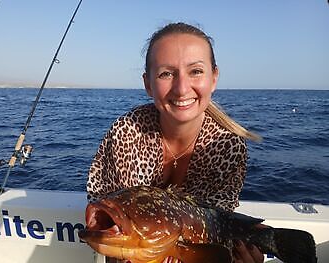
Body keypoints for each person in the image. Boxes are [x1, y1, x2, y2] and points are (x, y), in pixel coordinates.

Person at [87, 22, 263, 263]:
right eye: (166, 74)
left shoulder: (228, 145)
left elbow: (216, 226)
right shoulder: (125, 132)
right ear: (148, 84)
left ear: (214, 78)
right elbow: (107, 216)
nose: (181, 89)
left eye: (196, 71)